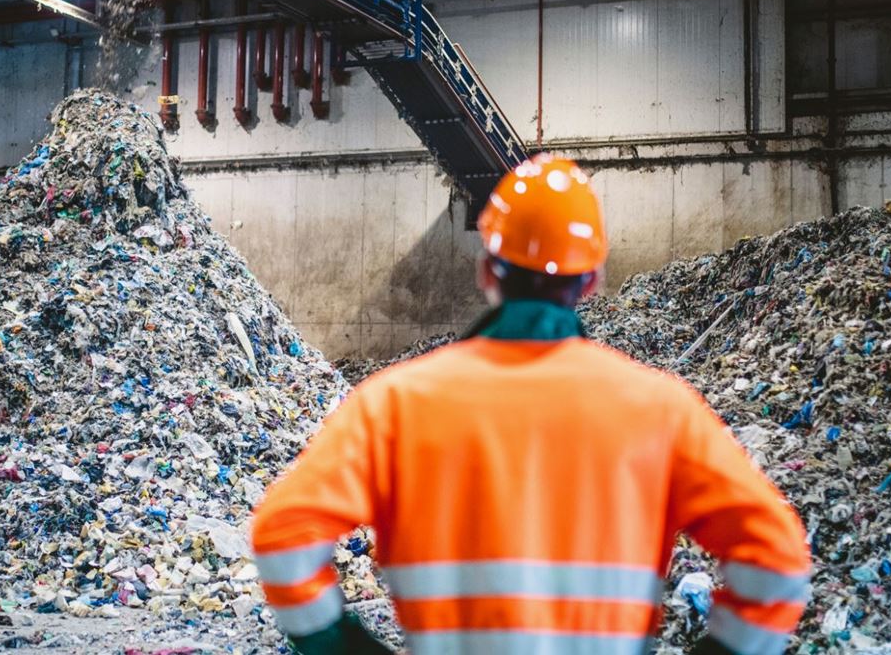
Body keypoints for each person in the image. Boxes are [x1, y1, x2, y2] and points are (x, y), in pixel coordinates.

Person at [249, 154, 811, 655]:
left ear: (487, 270)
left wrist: (342, 646)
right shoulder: (662, 409)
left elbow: (282, 538)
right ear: (590, 282)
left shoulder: (395, 404)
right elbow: (779, 564)